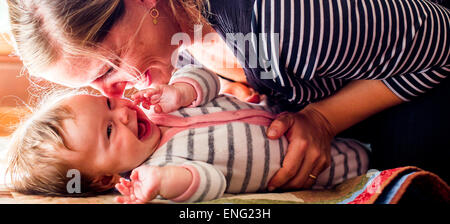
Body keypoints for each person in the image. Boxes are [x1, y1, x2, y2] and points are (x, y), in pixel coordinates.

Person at [4, 0, 449, 190]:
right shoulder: (174, 5)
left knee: (410, 162)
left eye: (107, 71)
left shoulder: (280, 16)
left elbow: (441, 42)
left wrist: (321, 117)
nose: (117, 96)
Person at [5, 65, 369, 203]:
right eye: (110, 130)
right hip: (317, 165)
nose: (124, 113)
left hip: (304, 108)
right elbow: (210, 183)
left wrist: (181, 91)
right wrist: (162, 181)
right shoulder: (160, 169)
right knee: (373, 158)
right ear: (104, 178)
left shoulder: (159, 106)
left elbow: (207, 77)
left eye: (108, 105)